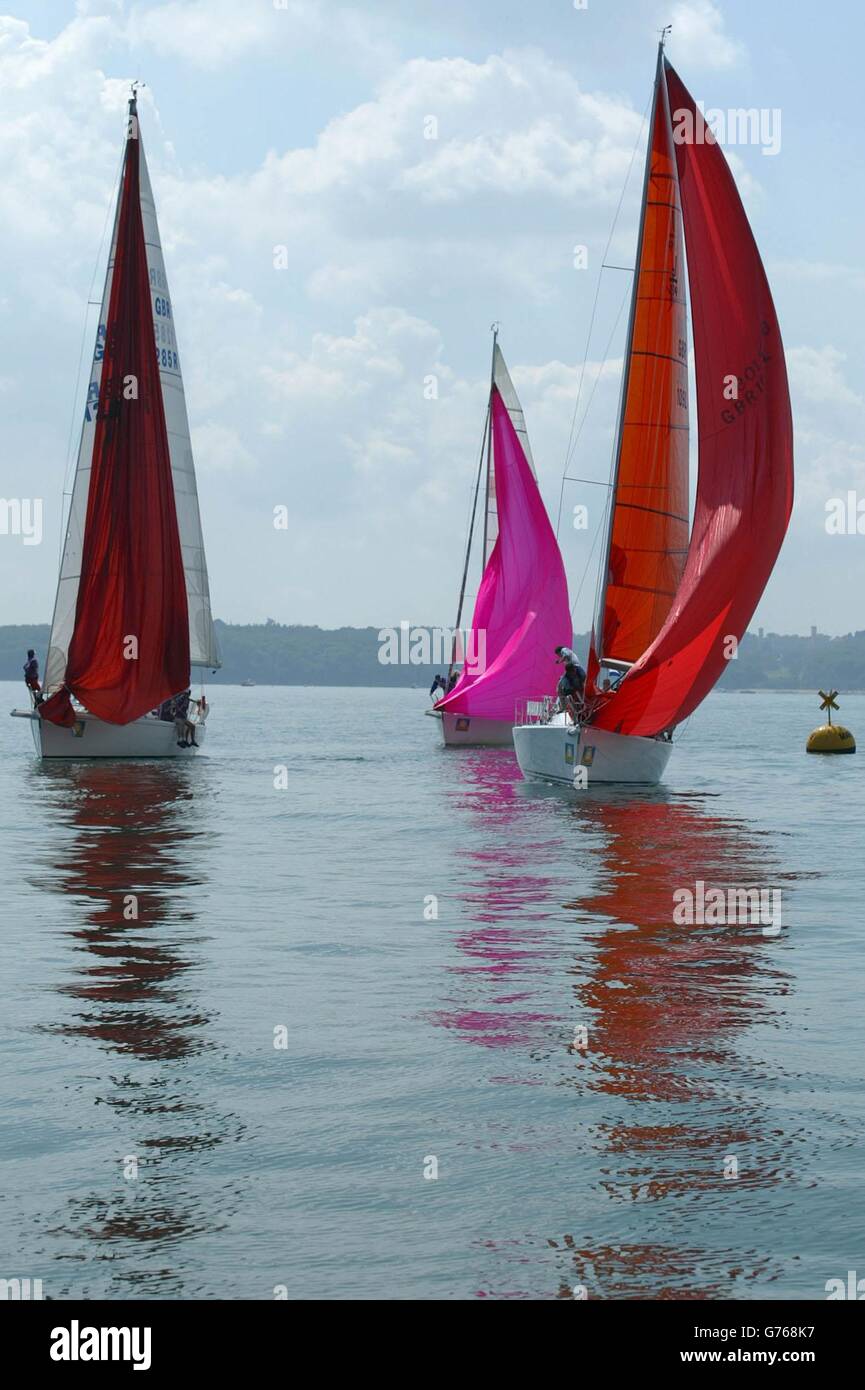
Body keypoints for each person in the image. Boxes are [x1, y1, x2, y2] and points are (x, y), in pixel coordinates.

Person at [554, 645, 586, 724]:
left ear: (559, 652)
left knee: (559, 687)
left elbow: (566, 655)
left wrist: (559, 661)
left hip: (572, 667)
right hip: (575, 668)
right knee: (576, 687)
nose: (558, 656)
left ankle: (563, 707)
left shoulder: (564, 650)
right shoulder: (569, 651)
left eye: (558, 654)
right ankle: (579, 703)